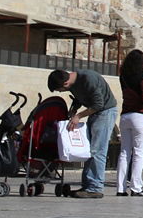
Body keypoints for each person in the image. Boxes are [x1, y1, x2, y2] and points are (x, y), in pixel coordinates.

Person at [47, 68, 118, 199]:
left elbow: (98, 104)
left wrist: (78, 116)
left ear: (65, 84)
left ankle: (95, 187)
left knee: (97, 151)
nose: (62, 92)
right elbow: (80, 98)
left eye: (60, 90)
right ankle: (87, 186)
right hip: (96, 113)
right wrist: (73, 109)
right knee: (89, 150)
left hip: (105, 112)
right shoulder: (73, 83)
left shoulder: (88, 79)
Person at [116, 49, 143, 197]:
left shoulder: (123, 76)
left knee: (124, 153)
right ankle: (136, 187)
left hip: (125, 115)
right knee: (138, 152)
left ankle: (120, 188)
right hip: (139, 115)